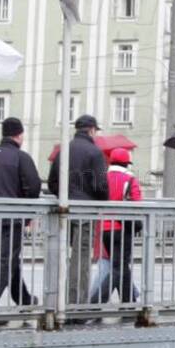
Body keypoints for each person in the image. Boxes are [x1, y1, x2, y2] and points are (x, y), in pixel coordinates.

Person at [0, 117, 41, 307]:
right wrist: (28, 213)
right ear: (19, 135)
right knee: (6, 259)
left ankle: (23, 298)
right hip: (14, 216)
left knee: (9, 257)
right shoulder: (21, 157)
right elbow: (34, 186)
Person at [49, 114, 109, 304]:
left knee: (61, 257)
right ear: (91, 130)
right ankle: (76, 304)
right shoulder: (95, 153)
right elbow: (101, 185)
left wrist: (65, 196)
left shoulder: (63, 150)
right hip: (85, 211)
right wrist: (101, 201)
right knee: (81, 260)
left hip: (64, 210)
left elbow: (52, 182)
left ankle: (58, 301)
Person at [91, 143, 143, 303]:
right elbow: (137, 202)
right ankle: (96, 302)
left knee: (121, 266)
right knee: (118, 268)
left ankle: (129, 303)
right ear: (126, 163)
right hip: (122, 228)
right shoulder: (129, 178)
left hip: (104, 228)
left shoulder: (103, 177)